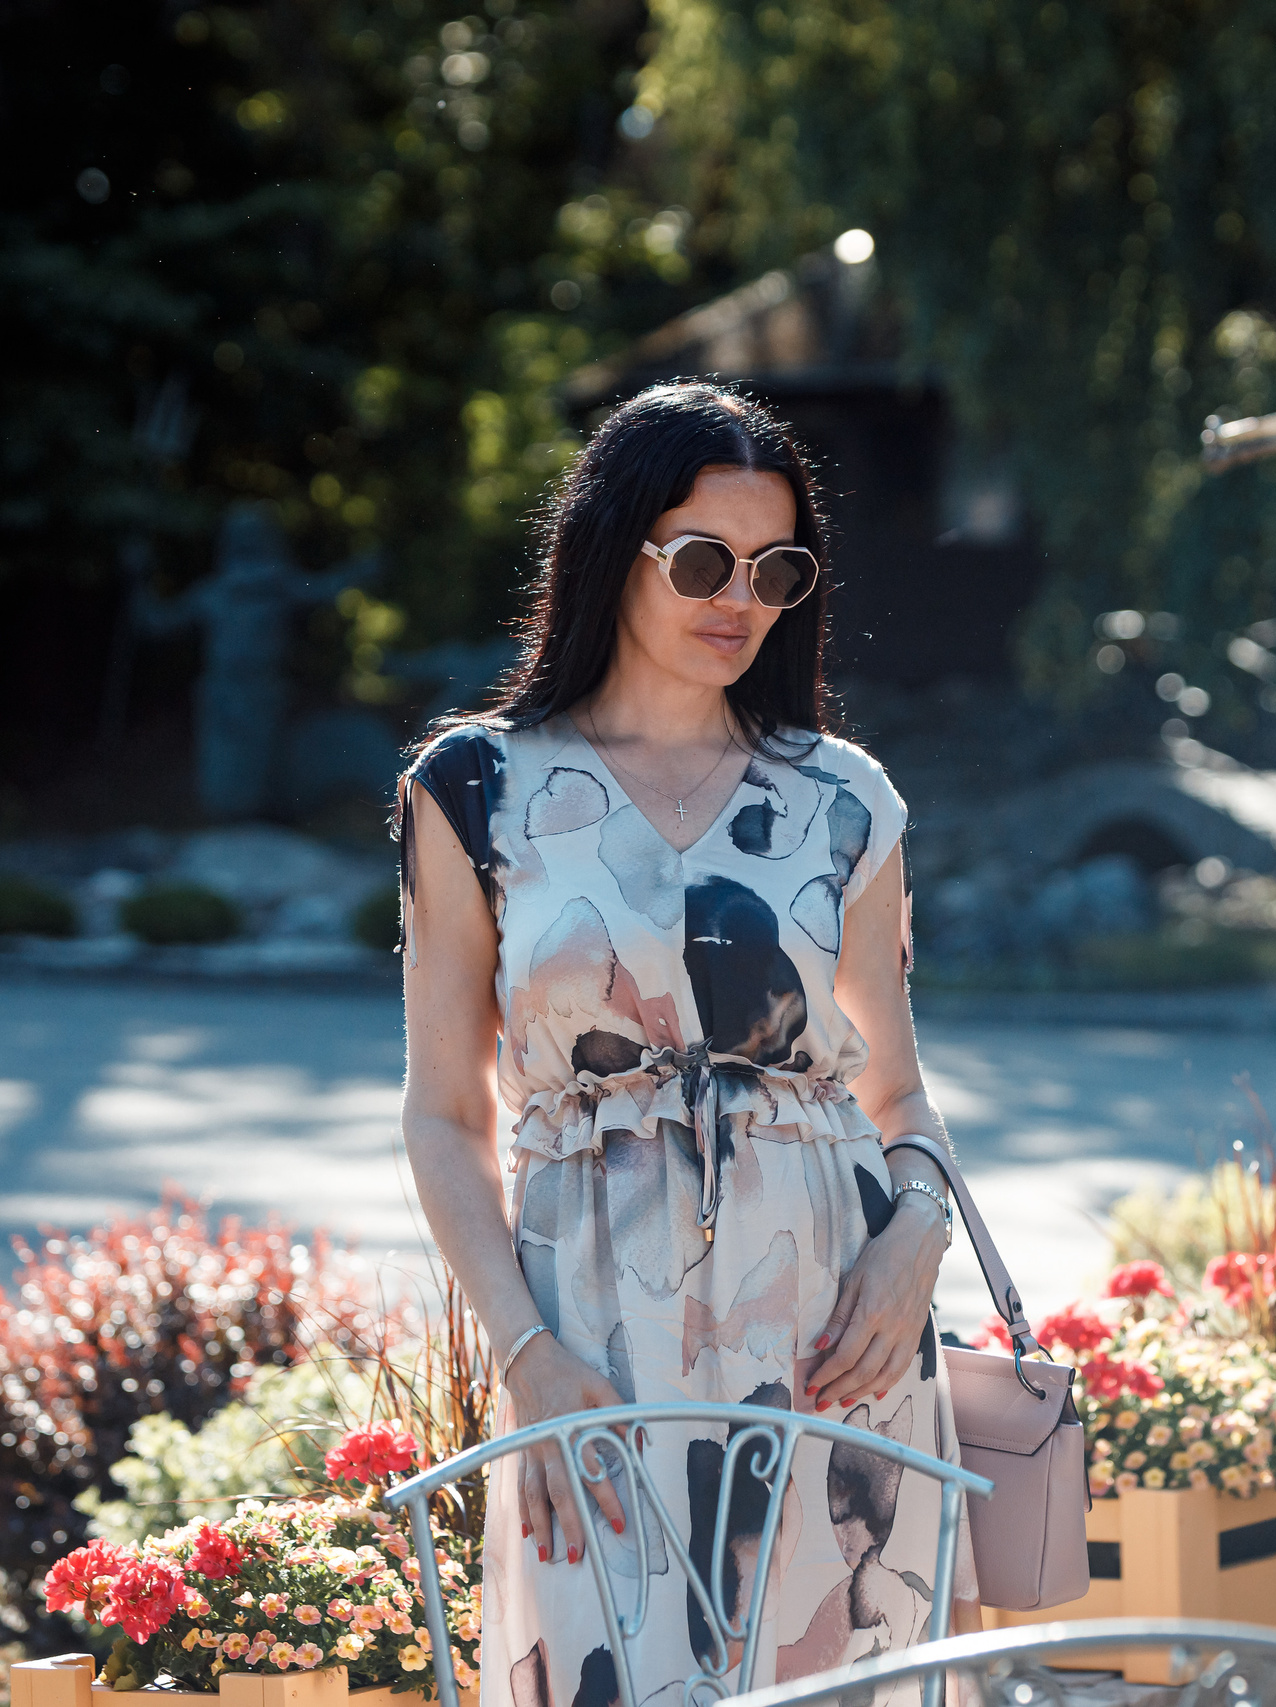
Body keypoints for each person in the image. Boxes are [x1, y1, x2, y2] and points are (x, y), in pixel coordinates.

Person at [397, 382, 976, 1706]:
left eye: (778, 571)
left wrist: (918, 1234)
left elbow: (899, 1092)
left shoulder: (843, 800)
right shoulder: (475, 789)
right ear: (614, 548)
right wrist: (524, 1353)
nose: (743, 600)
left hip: (840, 1336)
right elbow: (441, 1114)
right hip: (589, 1343)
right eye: (705, 560)